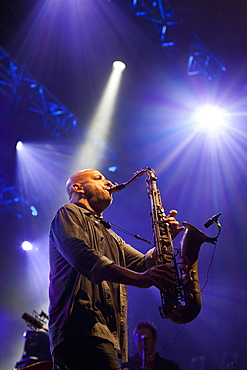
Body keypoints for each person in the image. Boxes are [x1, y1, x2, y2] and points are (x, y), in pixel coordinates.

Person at [48, 169, 184, 370]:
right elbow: (84, 257)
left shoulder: (112, 237)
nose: (108, 181)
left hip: (105, 333)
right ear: (78, 188)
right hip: (80, 330)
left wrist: (165, 240)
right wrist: (140, 279)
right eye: (98, 178)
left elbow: (143, 264)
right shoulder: (68, 213)